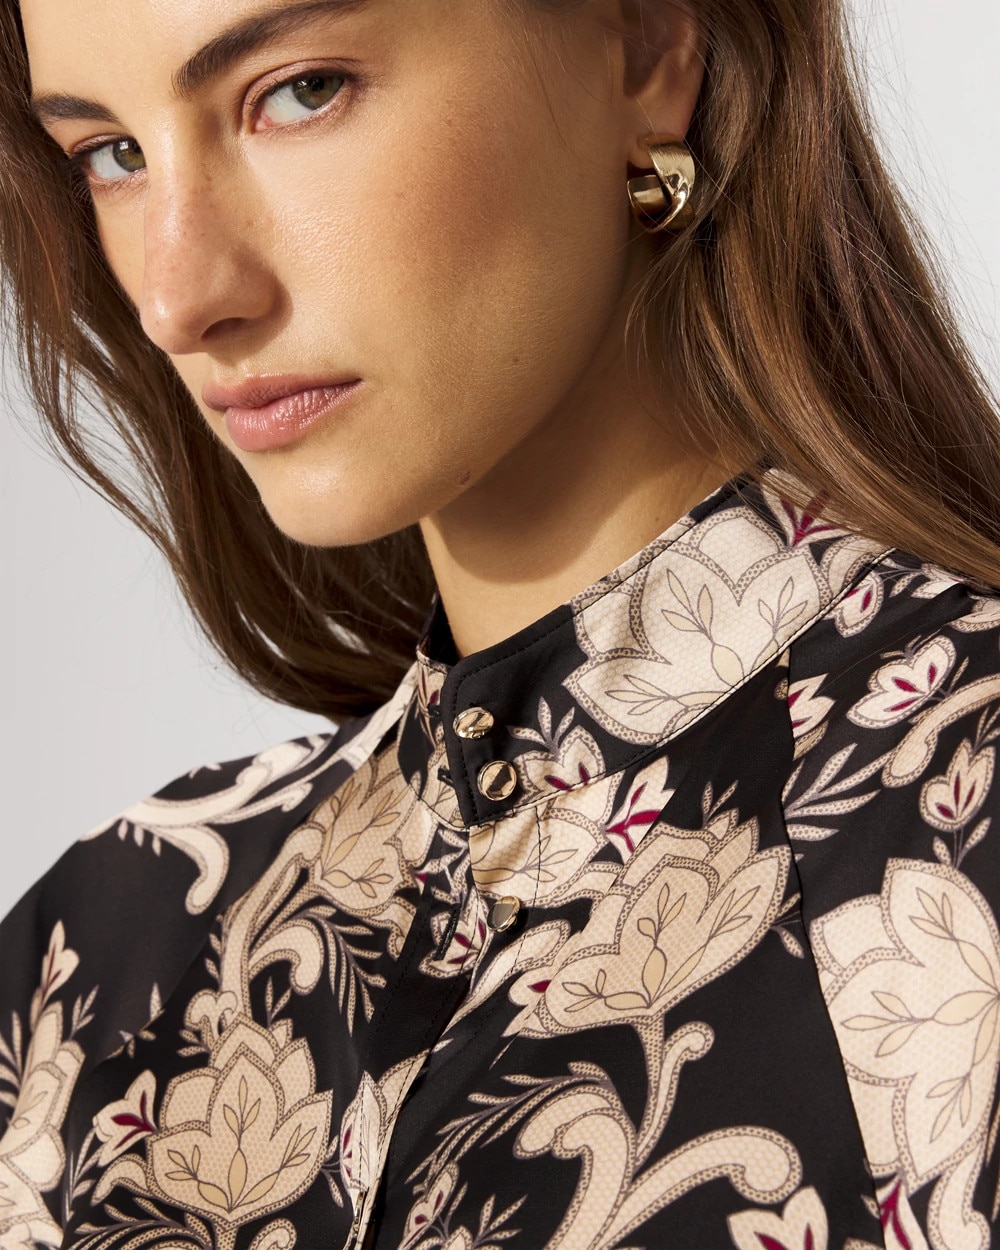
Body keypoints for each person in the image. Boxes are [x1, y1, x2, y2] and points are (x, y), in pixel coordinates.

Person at [2, 0, 1000, 1246]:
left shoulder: (958, 828)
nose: (178, 294)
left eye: (300, 92)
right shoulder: (98, 967)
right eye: (111, 155)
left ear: (647, 44)